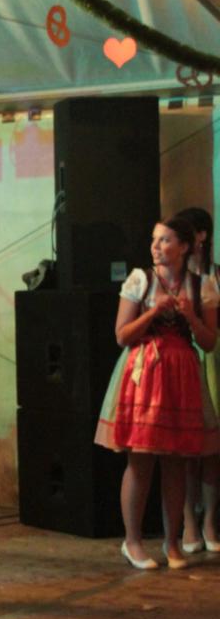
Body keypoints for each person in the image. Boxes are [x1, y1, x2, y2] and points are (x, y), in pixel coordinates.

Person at [95, 217, 219, 570]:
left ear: (184, 247)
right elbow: (122, 335)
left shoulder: (201, 285)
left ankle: (173, 542)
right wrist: (153, 311)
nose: (156, 246)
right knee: (141, 459)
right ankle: (132, 541)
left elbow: (209, 342)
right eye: (154, 239)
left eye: (165, 240)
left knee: (176, 462)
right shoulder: (141, 280)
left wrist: (190, 316)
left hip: (182, 376)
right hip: (145, 375)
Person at [170, 207, 220, 554]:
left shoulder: (213, 276)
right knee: (188, 446)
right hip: (185, 358)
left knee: (213, 446)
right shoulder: (172, 278)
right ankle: (188, 522)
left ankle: (210, 521)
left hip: (213, 358)